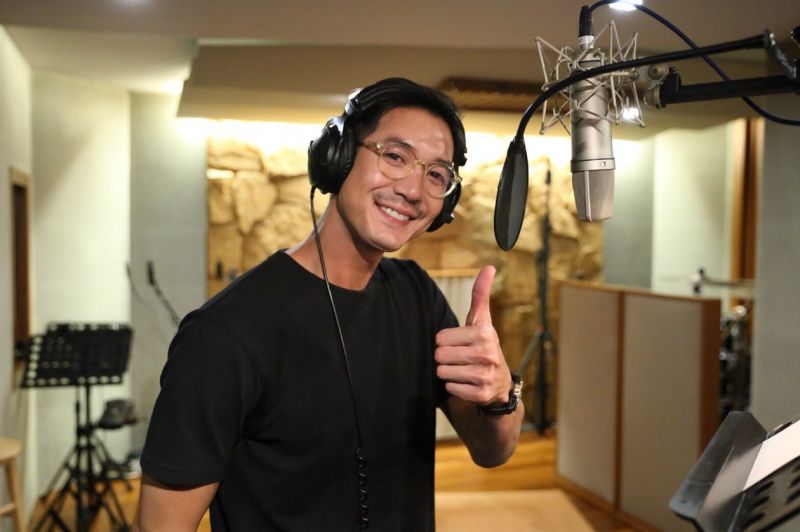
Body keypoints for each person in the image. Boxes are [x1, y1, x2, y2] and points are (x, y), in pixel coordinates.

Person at [137, 77, 524, 531]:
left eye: (436, 175)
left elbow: (492, 451)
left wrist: (500, 395)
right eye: (395, 156)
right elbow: (160, 526)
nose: (414, 190)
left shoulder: (418, 297)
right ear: (337, 156)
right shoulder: (225, 333)